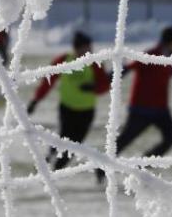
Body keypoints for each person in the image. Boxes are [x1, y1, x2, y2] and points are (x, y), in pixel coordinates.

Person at [96, 26, 172, 183]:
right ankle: (101, 167)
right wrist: (110, 76)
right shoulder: (151, 54)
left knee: (171, 137)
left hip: (161, 109)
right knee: (125, 139)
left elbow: (169, 70)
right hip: (142, 108)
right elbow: (130, 66)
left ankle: (142, 166)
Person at [27, 31, 110, 170]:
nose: (90, 51)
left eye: (91, 48)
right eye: (87, 48)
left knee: (75, 144)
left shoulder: (95, 63)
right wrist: (35, 100)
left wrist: (93, 87)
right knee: (63, 138)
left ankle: (56, 170)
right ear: (77, 48)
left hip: (86, 111)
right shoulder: (64, 60)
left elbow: (105, 86)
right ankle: (49, 157)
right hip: (67, 108)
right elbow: (48, 82)